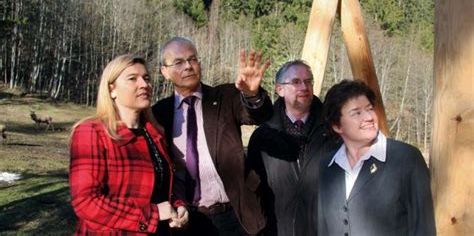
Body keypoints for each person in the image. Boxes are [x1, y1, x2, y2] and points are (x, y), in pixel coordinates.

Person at [152, 37, 273, 236]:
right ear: (164, 71)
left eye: (193, 59)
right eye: (179, 62)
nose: (189, 66)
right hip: (187, 219)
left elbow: (259, 115)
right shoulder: (159, 114)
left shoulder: (225, 96)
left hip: (236, 215)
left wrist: (252, 95)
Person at [69, 54, 189, 235]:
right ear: (112, 90)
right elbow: (86, 202)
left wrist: (179, 206)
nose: (144, 84)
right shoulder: (91, 132)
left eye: (146, 79)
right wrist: (152, 215)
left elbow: (166, 186)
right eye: (133, 78)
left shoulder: (156, 134)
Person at [317, 80, 436, 236]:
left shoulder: (406, 159)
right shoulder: (327, 166)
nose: (368, 117)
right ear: (337, 126)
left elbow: (423, 228)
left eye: (369, 109)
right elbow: (323, 228)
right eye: (357, 113)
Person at [247, 60, 337, 236]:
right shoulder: (263, 137)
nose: (304, 86)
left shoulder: (333, 132)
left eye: (308, 81)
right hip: (278, 229)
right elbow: (254, 191)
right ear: (279, 89)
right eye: (296, 81)